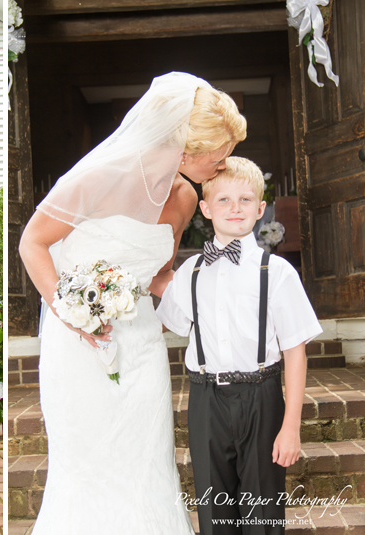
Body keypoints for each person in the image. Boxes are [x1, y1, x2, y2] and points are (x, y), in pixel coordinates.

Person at [18, 72, 246, 533]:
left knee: (146, 460)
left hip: (141, 346)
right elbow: (32, 243)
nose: (224, 165)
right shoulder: (96, 178)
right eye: (219, 157)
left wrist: (204, 294)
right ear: (185, 148)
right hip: (79, 343)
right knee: (88, 463)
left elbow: (158, 274)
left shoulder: (183, 197)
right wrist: (68, 312)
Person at [156, 157, 321, 534]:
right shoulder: (191, 271)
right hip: (205, 399)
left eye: (246, 200)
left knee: (262, 512)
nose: (235, 208)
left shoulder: (276, 272)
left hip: (261, 397)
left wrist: (290, 425)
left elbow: (296, 350)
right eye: (225, 200)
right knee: (215, 514)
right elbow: (171, 316)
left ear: (261, 209)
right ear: (205, 208)